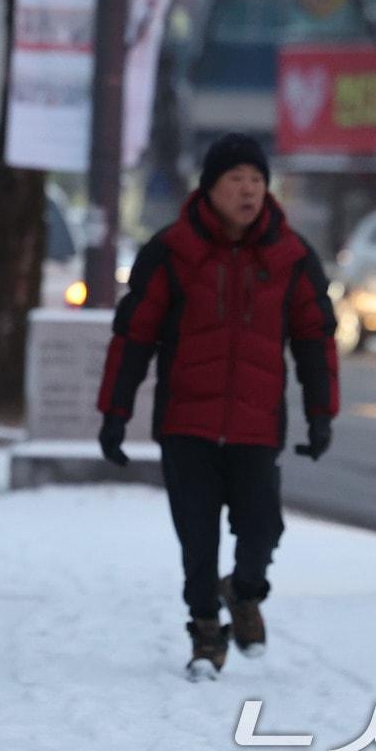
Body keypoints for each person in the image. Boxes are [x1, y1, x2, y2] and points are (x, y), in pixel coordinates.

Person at [95, 133, 339, 681]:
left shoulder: (291, 256)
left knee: (262, 528)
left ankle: (245, 593)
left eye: (257, 180)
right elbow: (134, 335)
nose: (249, 191)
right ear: (210, 188)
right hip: (186, 424)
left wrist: (322, 414)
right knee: (198, 538)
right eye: (237, 180)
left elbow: (315, 337)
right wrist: (115, 411)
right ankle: (207, 629)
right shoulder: (172, 251)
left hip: (256, 425)